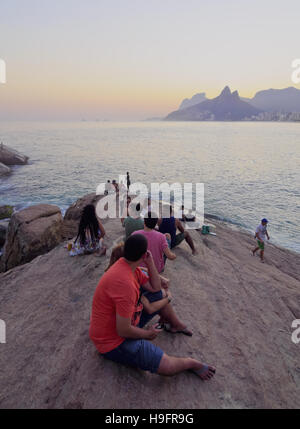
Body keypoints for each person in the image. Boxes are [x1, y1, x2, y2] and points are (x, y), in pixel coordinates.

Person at [90, 234, 216, 379]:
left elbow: (155, 288)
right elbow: (123, 330)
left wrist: (150, 262)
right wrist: (147, 334)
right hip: (112, 341)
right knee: (167, 367)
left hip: (123, 323)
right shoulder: (125, 283)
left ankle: (175, 324)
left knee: (159, 295)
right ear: (143, 254)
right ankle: (191, 363)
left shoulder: (129, 267)